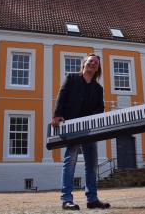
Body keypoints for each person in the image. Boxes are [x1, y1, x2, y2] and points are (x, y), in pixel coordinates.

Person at [52, 54, 110, 211]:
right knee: (70, 162)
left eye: (96, 62)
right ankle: (66, 199)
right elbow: (62, 95)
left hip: (90, 129)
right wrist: (57, 114)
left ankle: (92, 199)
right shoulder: (71, 78)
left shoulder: (98, 88)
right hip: (72, 127)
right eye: (90, 60)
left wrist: (94, 116)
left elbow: (100, 107)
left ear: (98, 68)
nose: (93, 63)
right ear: (84, 63)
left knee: (91, 164)